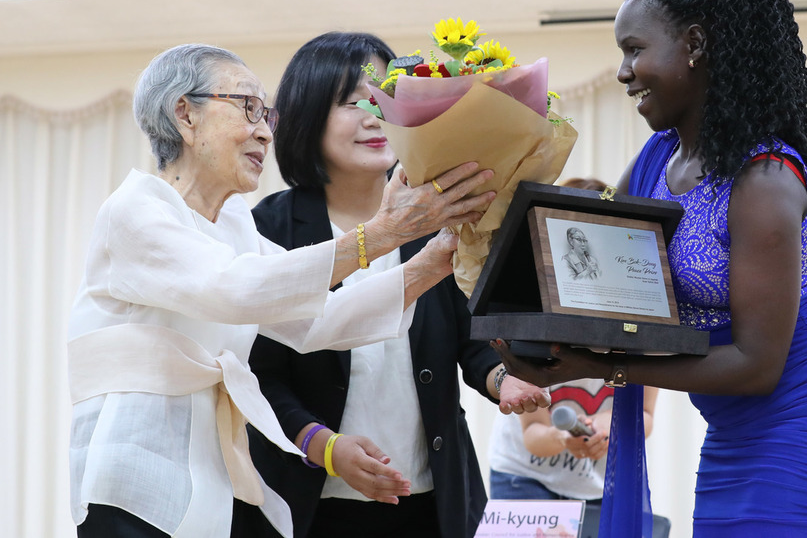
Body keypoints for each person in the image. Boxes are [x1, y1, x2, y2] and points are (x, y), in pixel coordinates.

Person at [493, 0, 807, 537]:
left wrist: (601, 369)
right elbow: (606, 274)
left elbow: (757, 364)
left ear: (694, 45)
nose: (623, 71)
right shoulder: (659, 158)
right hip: (738, 426)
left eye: (635, 49)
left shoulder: (764, 179)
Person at [67, 43, 497, 538]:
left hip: (215, 481)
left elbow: (318, 321)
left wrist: (428, 264)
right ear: (184, 114)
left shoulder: (232, 225)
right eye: (248, 107)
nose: (264, 130)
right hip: (135, 481)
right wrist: (386, 233)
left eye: (265, 113)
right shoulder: (135, 210)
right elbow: (236, 291)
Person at [227, 32, 550, 538]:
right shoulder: (268, 230)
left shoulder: (433, 213)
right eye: (351, 100)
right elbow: (256, 374)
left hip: (433, 500)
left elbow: (470, 336)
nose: (373, 114)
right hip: (309, 506)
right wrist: (322, 444)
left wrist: (502, 380)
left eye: (384, 97)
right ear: (308, 116)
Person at [489, 380, 656, 503]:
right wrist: (562, 438)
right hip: (525, 476)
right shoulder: (532, 336)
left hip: (609, 482)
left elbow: (645, 414)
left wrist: (613, 422)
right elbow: (533, 429)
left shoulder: (646, 335)